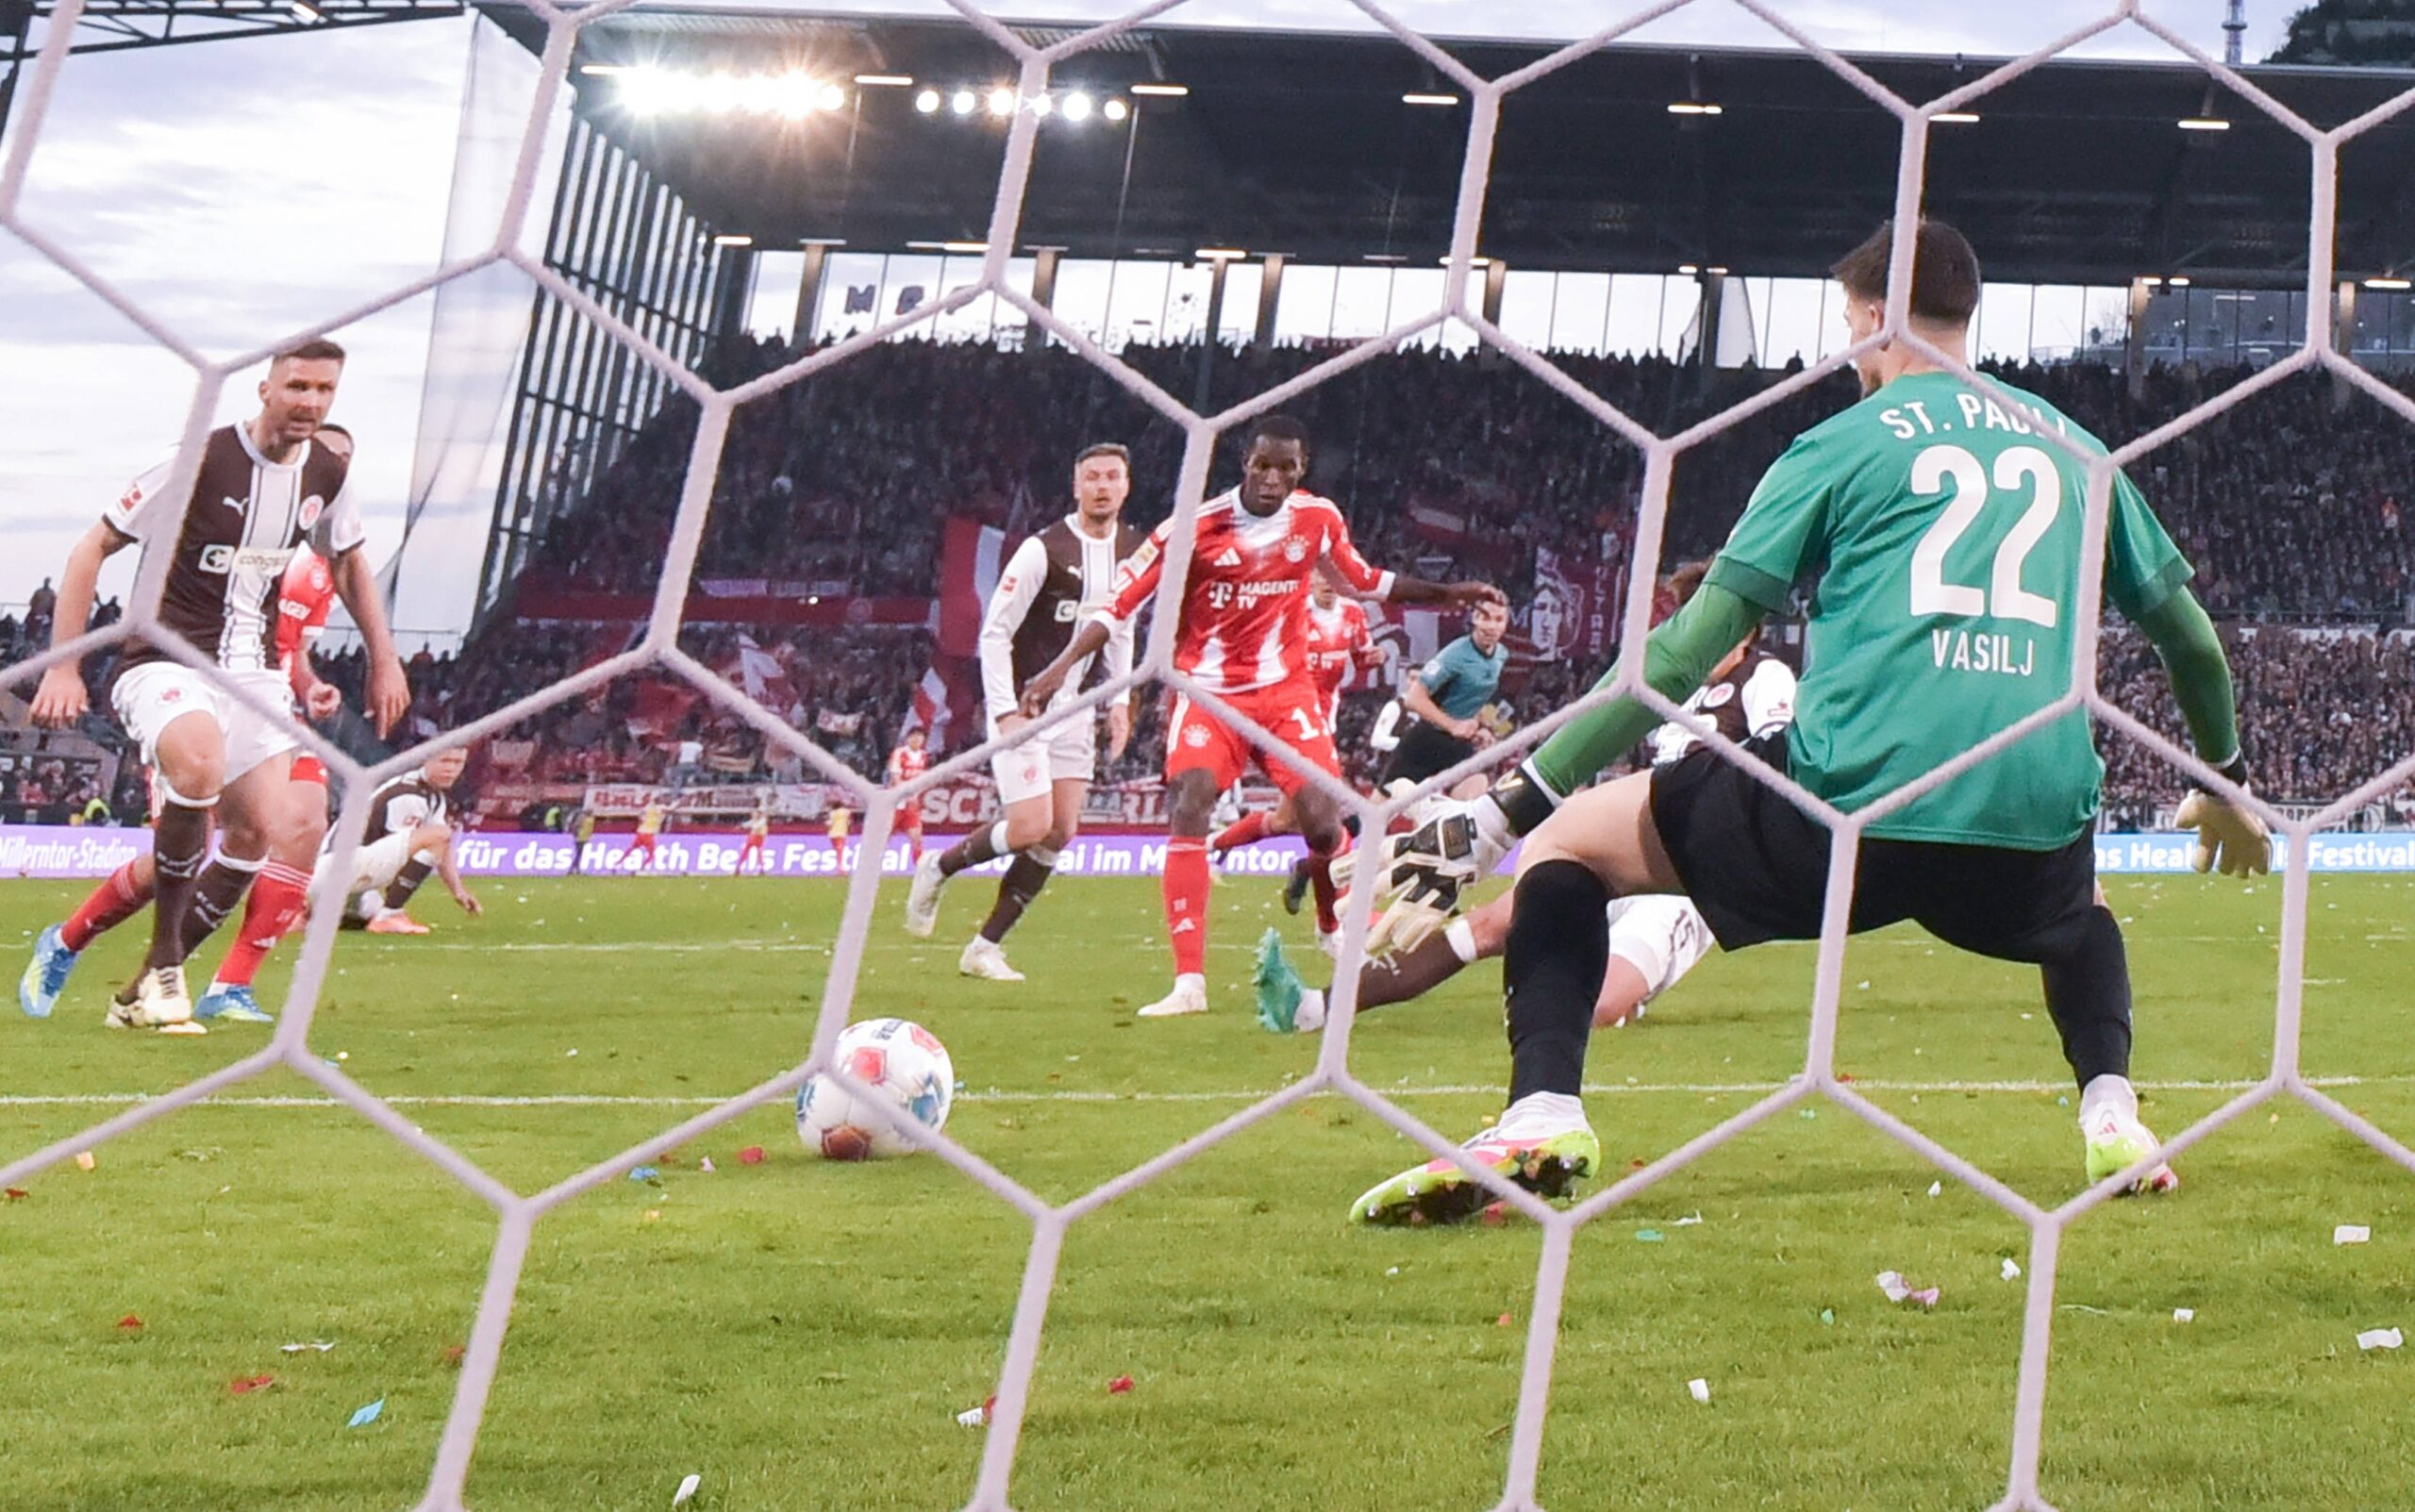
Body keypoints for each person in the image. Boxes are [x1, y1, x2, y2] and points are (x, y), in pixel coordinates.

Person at [1347, 220, 2268, 1226]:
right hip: (2025, 807)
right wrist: (2222, 784)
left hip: (1847, 807)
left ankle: (1540, 1112)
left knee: (1569, 847)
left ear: (1873, 317)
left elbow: (1683, 651)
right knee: (2077, 919)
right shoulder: (2077, 448)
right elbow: (2194, 644)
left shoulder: (1843, 441)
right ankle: (2111, 1109)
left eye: (1845, 323)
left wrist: (1504, 812)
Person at [1018, 415, 1501, 1019]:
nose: (1273, 478)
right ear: (1245, 462)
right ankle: (1188, 984)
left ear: (1301, 469)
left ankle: (1329, 924)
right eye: (1263, 465)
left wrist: (1451, 594)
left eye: (1287, 468)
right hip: (1209, 695)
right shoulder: (1193, 528)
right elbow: (1118, 604)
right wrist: (1060, 668)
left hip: (1284, 696)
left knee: (1323, 824)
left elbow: (1367, 582)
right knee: (1189, 802)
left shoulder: (1317, 519)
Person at [21, 344, 407, 1033]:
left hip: (255, 675)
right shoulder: (200, 459)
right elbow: (92, 548)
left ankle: (139, 988)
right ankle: (169, 967)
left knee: (256, 832)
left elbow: (349, 562)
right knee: (197, 764)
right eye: (297, 386)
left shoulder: (327, 472)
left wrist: (384, 656)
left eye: (324, 390)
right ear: (264, 388)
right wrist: (63, 664)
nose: (310, 402)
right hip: (164, 660)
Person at [1257, 561, 1792, 1037]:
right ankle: (1314, 1009)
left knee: (1597, 1009)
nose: (1689, 632)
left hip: (1689, 877)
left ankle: (1614, 987)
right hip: (1633, 844)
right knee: (1492, 922)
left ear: (1739, 627)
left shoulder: (1763, 675)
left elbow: (1778, 760)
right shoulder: (1678, 683)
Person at [906, 442, 1140, 981]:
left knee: (1060, 832)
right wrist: (1006, 709)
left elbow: (1121, 627)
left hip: (1077, 709)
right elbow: (995, 631)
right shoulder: (1045, 549)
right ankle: (939, 866)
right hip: (1027, 705)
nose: (1102, 486)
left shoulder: (1133, 550)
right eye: (1092, 477)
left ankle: (984, 948)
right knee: (1031, 825)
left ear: (1126, 486)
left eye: (1112, 477)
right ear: (1075, 486)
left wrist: (1119, 701)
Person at [1209, 575, 1381, 926]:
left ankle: (1211, 845)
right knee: (1332, 824)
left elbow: (1362, 658)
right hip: (1290, 724)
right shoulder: (1293, 612)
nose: (1328, 582)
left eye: (1335, 575)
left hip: (1322, 726)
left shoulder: (1353, 615)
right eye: (1320, 574)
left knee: (1285, 821)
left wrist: (1372, 658)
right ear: (1310, 577)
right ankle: (1340, 918)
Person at [317, 745, 482, 934]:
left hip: (338, 872)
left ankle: (327, 911)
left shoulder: (431, 794)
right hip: (338, 873)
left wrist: (458, 891)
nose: (450, 768)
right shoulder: (408, 794)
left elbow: (442, 845)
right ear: (426, 759)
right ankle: (389, 915)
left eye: (457, 762)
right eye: (445, 761)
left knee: (439, 835)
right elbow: (406, 849)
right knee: (437, 835)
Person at [886, 726, 933, 867]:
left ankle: (919, 869)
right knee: (884, 836)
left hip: (911, 804)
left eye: (920, 736)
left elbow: (922, 779)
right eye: (913, 736)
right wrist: (906, 794)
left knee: (916, 836)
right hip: (896, 802)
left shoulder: (924, 756)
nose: (916, 739)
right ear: (907, 738)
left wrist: (916, 794)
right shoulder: (900, 753)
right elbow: (895, 777)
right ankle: (871, 866)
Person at [631, 797, 668, 870]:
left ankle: (618, 862)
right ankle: (642, 867)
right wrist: (677, 803)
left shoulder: (649, 809)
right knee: (651, 855)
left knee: (632, 849)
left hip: (642, 832)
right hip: (649, 834)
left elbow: (642, 813)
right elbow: (669, 809)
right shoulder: (659, 809)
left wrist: (641, 818)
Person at [739, 802, 772, 874]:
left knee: (759, 853)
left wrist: (747, 825)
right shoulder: (756, 820)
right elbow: (749, 824)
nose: (759, 814)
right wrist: (742, 826)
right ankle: (739, 867)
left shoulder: (763, 820)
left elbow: (755, 826)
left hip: (759, 838)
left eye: (760, 813)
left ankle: (761, 869)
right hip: (753, 837)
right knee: (746, 852)